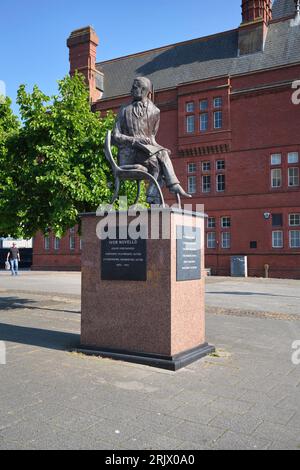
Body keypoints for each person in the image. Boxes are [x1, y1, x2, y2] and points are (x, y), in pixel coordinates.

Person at [112, 76, 191, 204]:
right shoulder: (124, 109)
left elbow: (152, 139)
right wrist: (134, 140)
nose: (130, 90)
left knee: (161, 155)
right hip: (129, 155)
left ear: (143, 90)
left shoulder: (155, 111)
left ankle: (154, 195)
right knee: (158, 162)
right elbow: (115, 136)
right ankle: (167, 188)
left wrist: (160, 148)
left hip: (145, 154)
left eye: (134, 87)